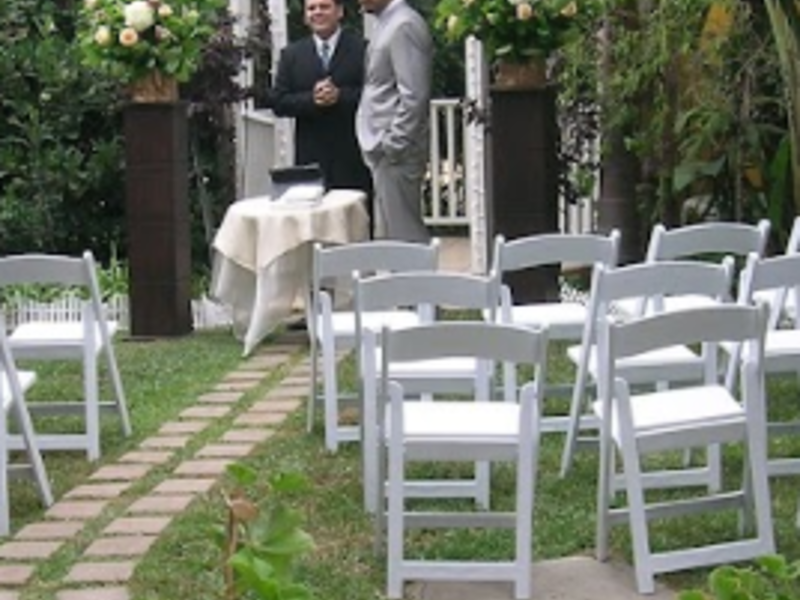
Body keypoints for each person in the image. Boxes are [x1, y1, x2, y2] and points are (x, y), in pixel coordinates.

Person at [271, 0, 372, 207]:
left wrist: (340, 96)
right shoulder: (291, 55)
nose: (317, 12)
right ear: (305, 16)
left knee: (356, 225)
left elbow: (374, 94)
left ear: (340, 11)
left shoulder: (362, 49)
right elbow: (279, 102)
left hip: (353, 155)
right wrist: (312, 100)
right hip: (310, 159)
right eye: (311, 8)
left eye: (324, 6)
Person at [356, 0, 432, 243]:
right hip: (384, 151)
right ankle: (400, 280)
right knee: (391, 237)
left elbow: (414, 95)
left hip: (396, 152)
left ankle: (416, 282)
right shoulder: (386, 23)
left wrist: (394, 144)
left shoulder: (404, 24)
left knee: (405, 237)